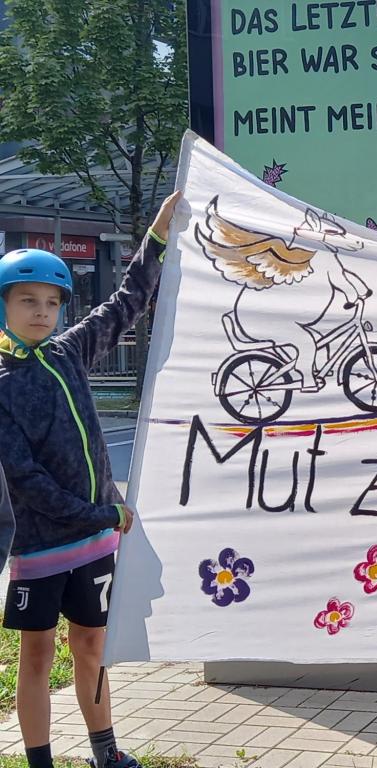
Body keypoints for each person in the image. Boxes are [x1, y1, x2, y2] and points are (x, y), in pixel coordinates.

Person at [0, 190, 180, 768]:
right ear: (4, 306)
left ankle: (106, 753)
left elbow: (128, 301)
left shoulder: (70, 351)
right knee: (35, 656)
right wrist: (102, 512)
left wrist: (157, 236)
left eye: (52, 302)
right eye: (27, 300)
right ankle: (40, 761)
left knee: (91, 646)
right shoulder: (2, 384)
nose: (41, 312)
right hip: (42, 549)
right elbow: (27, 480)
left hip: (94, 544)